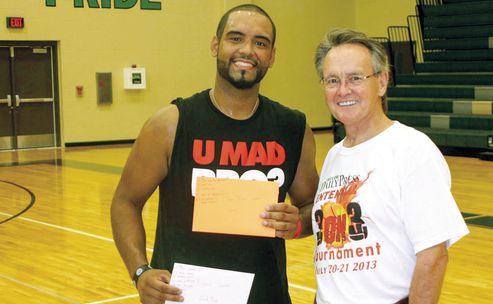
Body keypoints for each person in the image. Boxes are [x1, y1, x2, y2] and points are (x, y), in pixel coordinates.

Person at [110, 4, 318, 304]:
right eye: (235, 38)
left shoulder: (293, 128)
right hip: (185, 295)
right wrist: (140, 271)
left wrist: (297, 223)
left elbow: (315, 209)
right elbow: (125, 202)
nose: (247, 50)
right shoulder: (171, 123)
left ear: (272, 56)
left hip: (265, 296)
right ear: (215, 44)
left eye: (260, 43)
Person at [311, 29, 469, 303]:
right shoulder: (334, 155)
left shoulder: (411, 149)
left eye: (355, 78)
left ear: (382, 82)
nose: (343, 90)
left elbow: (433, 257)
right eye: (332, 80)